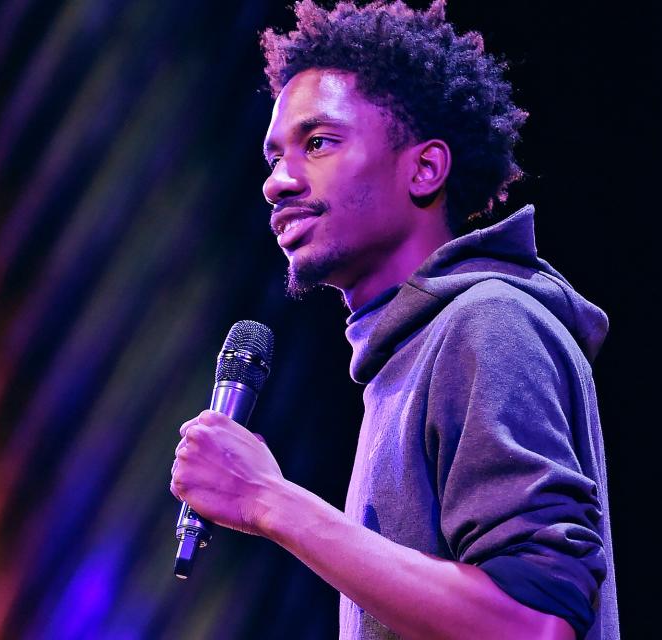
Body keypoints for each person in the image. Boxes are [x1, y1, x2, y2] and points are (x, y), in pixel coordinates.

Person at [170, 1, 619, 638]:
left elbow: (532, 623)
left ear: (425, 168)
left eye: (318, 143)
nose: (277, 183)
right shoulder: (403, 359)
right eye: (274, 159)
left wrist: (268, 500)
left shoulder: (486, 324)